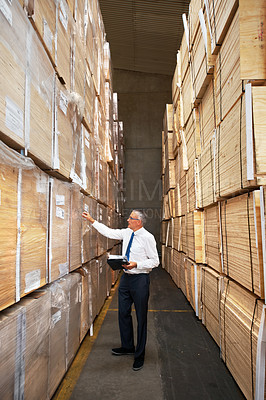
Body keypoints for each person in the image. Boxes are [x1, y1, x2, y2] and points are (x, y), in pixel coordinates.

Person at [82, 209, 159, 371]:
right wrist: (92, 220)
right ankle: (127, 346)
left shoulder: (147, 237)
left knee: (141, 317)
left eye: (131, 218)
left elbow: (155, 261)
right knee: (123, 312)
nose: (128, 220)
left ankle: (139, 355)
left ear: (139, 221)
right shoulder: (127, 233)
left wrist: (137, 264)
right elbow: (109, 232)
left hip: (140, 280)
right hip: (126, 279)